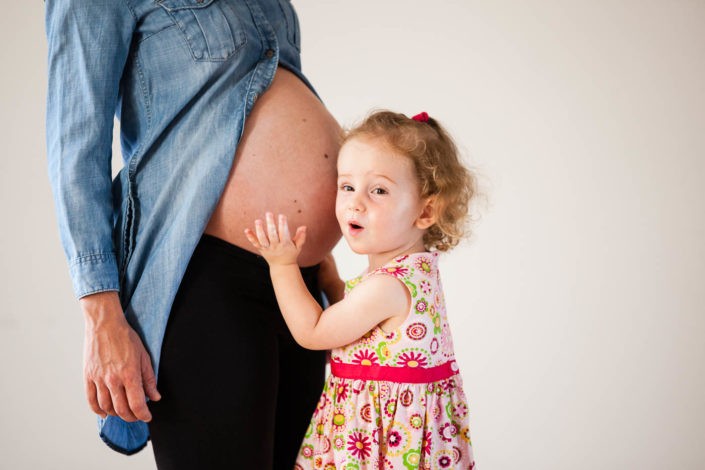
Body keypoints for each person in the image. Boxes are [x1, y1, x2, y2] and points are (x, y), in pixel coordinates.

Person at [45, 0, 341, 468]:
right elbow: (74, 148)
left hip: (299, 289)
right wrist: (101, 314)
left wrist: (323, 260)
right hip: (204, 273)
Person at [245, 110, 478, 469]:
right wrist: (334, 283)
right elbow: (368, 329)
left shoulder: (387, 286)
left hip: (376, 441)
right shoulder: (412, 274)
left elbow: (314, 331)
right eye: (347, 186)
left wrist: (282, 265)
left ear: (426, 211)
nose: (355, 202)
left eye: (379, 190)